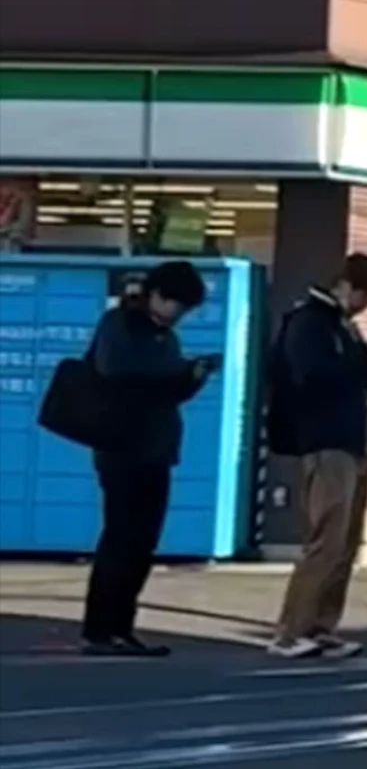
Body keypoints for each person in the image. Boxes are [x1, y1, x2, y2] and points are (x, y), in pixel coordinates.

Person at [83, 259, 217, 657]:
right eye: (176, 304)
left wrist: (192, 376)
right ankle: (101, 630)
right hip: (121, 446)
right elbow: (116, 371)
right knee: (121, 538)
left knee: (143, 542)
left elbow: (169, 391)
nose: (178, 314)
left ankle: (122, 627)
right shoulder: (119, 324)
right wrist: (173, 373)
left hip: (155, 448)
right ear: (156, 294)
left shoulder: (165, 337)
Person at [268, 253, 367, 660]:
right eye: (364, 296)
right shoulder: (309, 322)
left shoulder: (344, 327)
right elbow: (313, 377)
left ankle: (321, 626)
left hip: (355, 439)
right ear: (346, 286)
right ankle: (291, 631)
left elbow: (359, 383)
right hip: (325, 442)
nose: (365, 305)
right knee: (326, 538)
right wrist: (360, 356)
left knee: (345, 544)